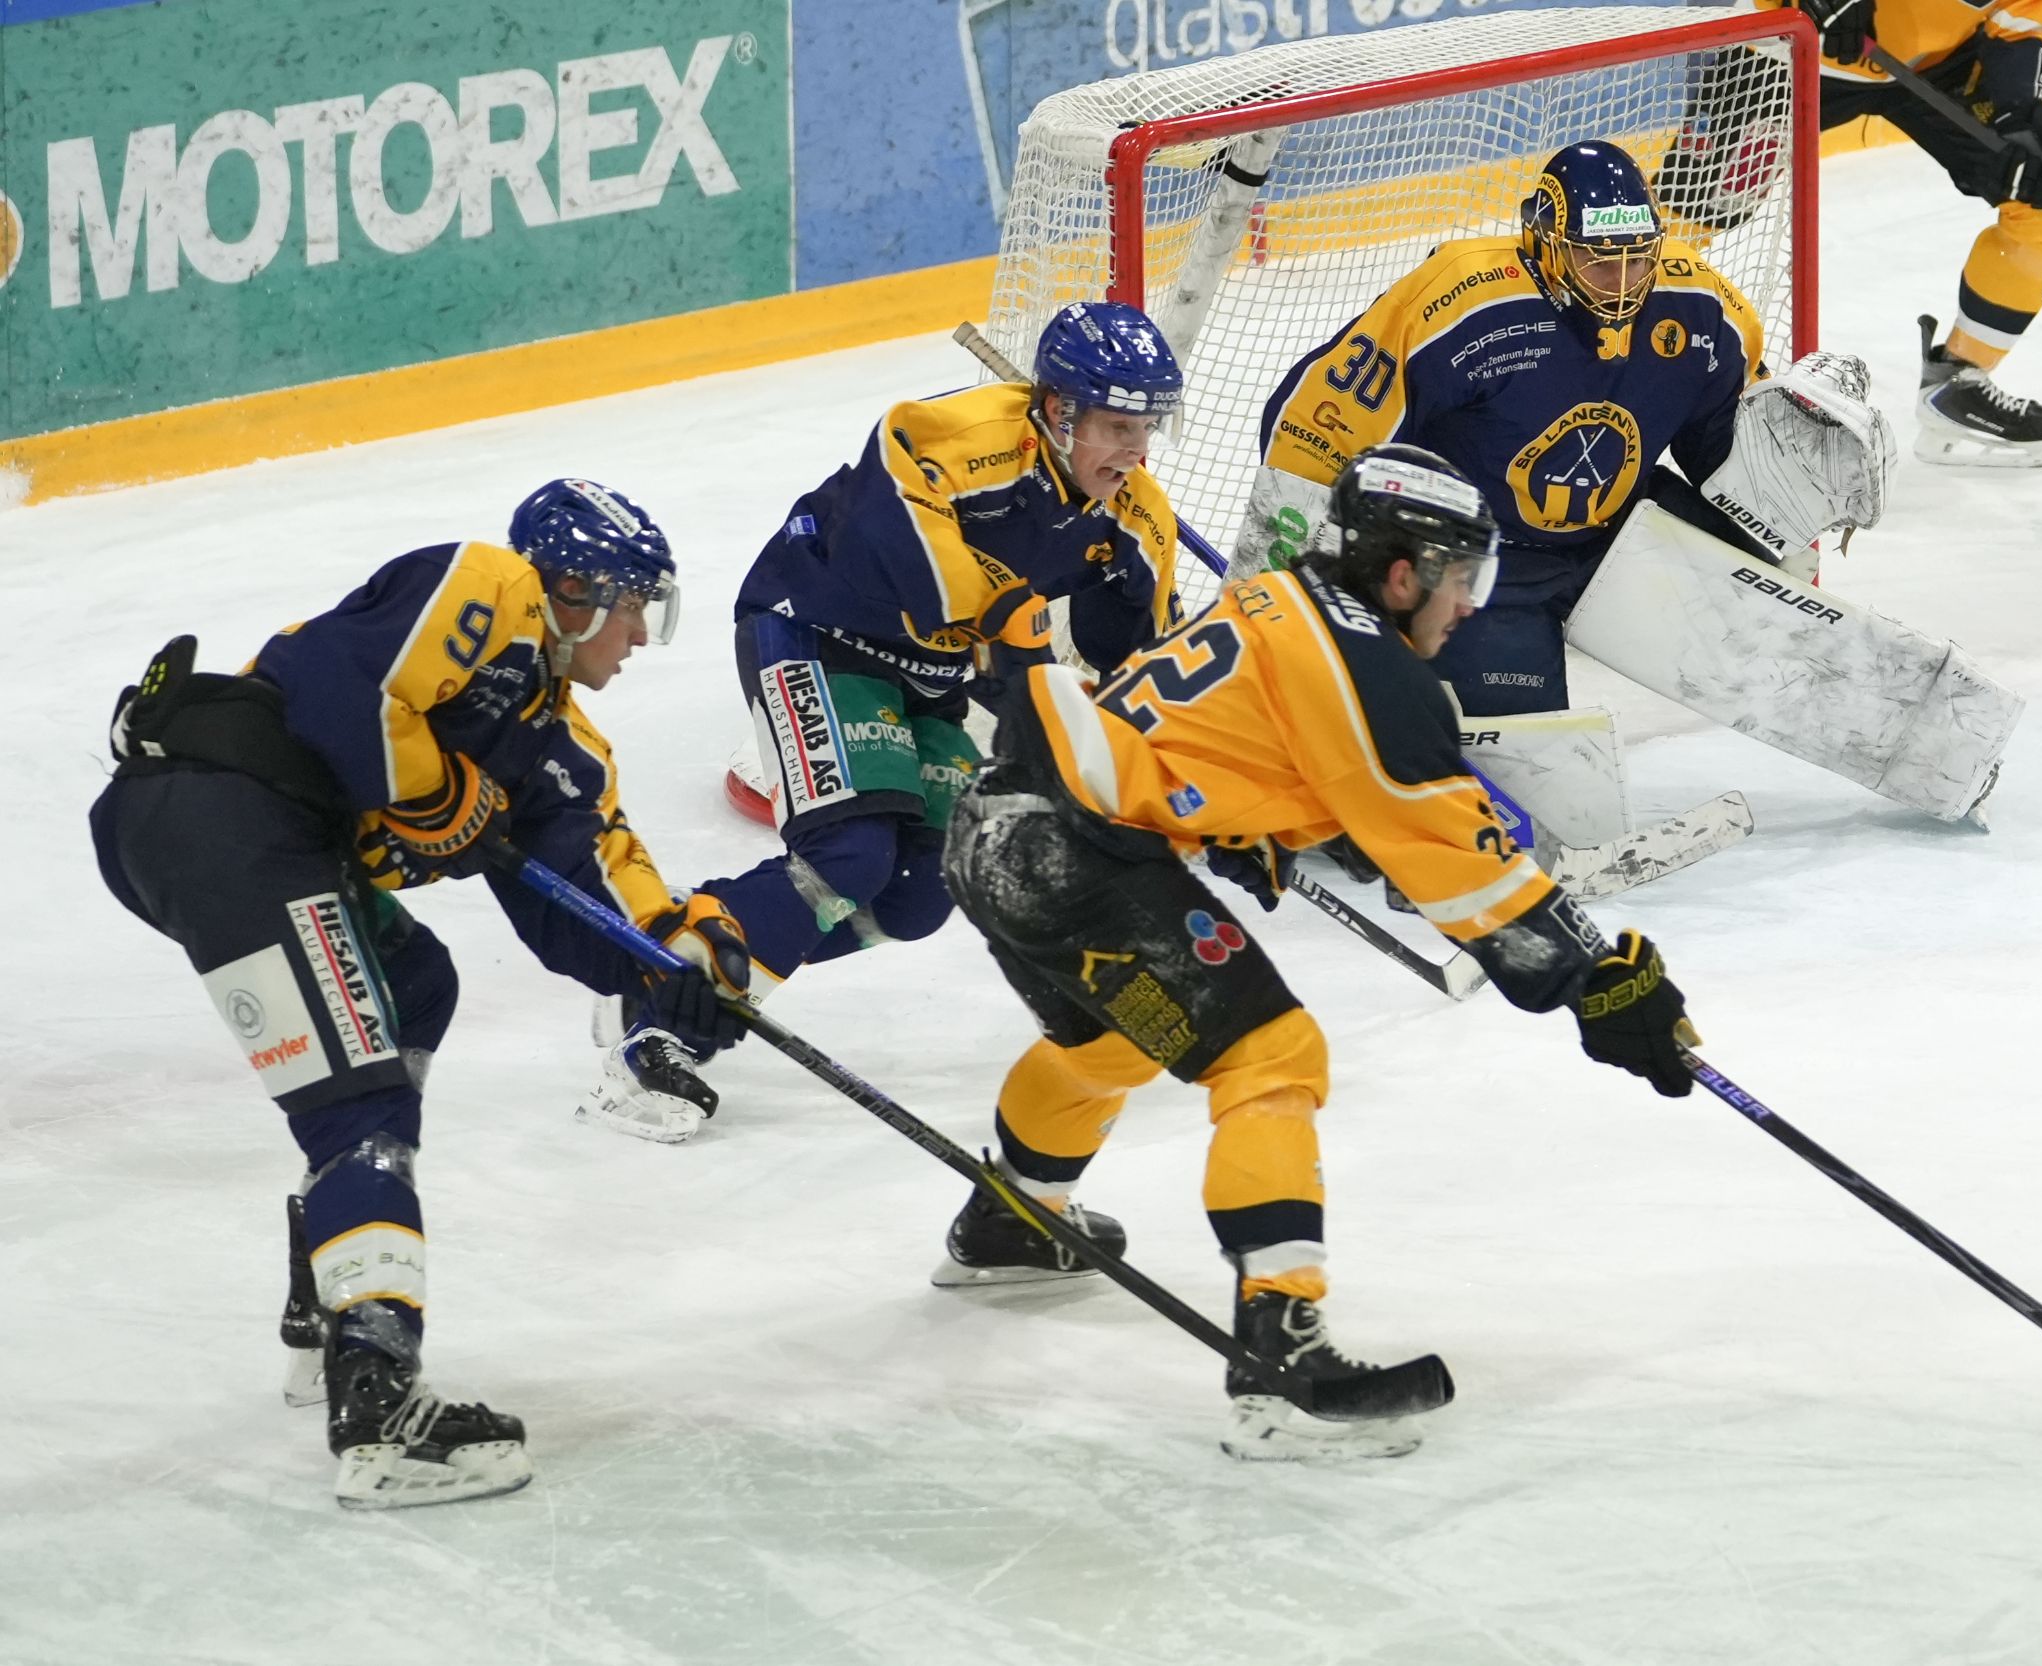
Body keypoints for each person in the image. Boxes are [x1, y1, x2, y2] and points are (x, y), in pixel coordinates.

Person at [943, 443, 1702, 1460]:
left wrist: (1240, 818)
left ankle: (1012, 1219)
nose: (1468, 605)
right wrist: (1597, 980)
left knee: (1113, 1043)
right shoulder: (1370, 669)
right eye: (1459, 577)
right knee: (1271, 1057)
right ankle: (1281, 1368)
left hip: (995, 827)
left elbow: (1227, 741)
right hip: (1075, 857)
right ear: (1402, 574)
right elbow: (1458, 859)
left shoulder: (1281, 598)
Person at [88, 480, 751, 1510]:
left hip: (258, 844)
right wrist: (439, 793)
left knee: (414, 982)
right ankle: (380, 1410)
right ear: (572, 590)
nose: (637, 636)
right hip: (219, 813)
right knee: (355, 1111)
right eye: (631, 606)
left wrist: (673, 967)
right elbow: (349, 691)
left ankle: (332, 1296)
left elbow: (586, 897)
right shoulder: (492, 587)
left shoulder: (558, 748)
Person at [577, 301, 1190, 1146]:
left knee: (914, 897)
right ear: (1058, 410)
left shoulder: (1134, 517)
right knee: (849, 857)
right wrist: (1008, 628)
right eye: (1118, 426)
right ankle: (665, 1021)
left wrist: (1154, 750)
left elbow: (1144, 671)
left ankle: (693, 938)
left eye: (1147, 428)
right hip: (814, 633)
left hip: (926, 679)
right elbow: (906, 555)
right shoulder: (949, 438)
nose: (1136, 450)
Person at [1234, 139, 1879, 718]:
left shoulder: (1702, 306)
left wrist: (1791, 486)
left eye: (1638, 259)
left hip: (1620, 534)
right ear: (1545, 244)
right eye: (1598, 261)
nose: (1623, 283)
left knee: (1772, 601)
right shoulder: (1464, 298)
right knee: (1521, 748)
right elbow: (1314, 425)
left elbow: (1723, 446)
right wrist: (1281, 588)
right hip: (1482, 562)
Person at [1663, 0, 2042, 465]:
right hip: (1801, 43)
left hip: (1938, 61)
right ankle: (1616, 361)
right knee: (1681, 216)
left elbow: (2026, 11)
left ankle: (1957, 384)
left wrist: (2022, 113)